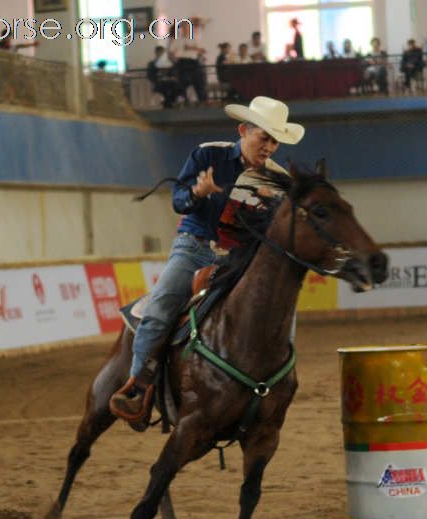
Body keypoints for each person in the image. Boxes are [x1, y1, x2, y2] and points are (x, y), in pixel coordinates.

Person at [110, 96, 305, 425]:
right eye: (264, 137)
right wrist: (198, 193)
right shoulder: (208, 154)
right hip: (194, 246)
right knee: (160, 308)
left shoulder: (279, 181)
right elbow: (178, 201)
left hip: (241, 261)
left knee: (282, 314)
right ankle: (137, 387)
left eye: (275, 140)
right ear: (243, 130)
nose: (269, 147)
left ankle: (276, 382)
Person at [168, 21, 207, 103]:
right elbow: (171, 53)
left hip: (194, 62)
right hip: (182, 63)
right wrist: (175, 62)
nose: (186, 29)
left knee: (199, 83)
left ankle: (203, 102)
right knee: (182, 84)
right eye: (185, 27)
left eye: (188, 27)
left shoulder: (195, 39)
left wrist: (193, 49)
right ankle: (185, 102)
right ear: (181, 28)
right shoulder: (176, 39)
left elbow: (203, 51)